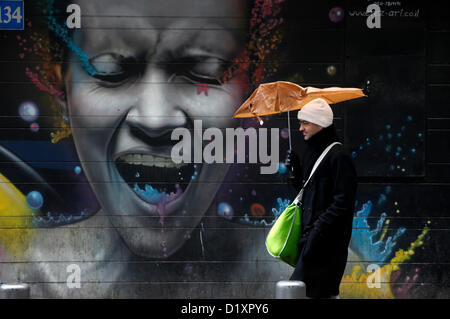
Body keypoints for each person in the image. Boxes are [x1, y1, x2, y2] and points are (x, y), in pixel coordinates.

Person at [285, 98, 357, 299]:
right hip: (312, 243)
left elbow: (343, 203)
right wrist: (295, 171)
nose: (300, 128)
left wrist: (317, 233)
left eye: (305, 123)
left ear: (321, 123)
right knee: (315, 294)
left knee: (300, 292)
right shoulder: (313, 154)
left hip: (327, 246)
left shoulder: (339, 157)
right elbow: (308, 193)